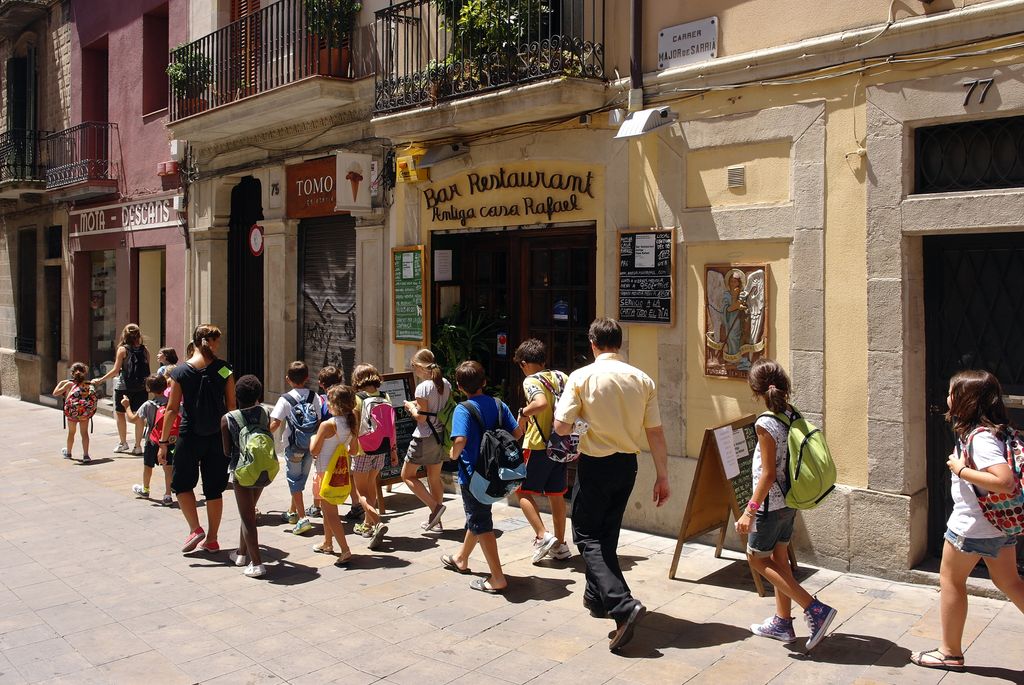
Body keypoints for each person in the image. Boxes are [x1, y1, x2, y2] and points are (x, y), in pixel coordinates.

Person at [552, 318, 670, 651]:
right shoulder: (641, 379)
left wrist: (580, 421)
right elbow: (656, 432)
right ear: (619, 343)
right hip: (626, 466)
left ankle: (622, 603)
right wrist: (663, 475)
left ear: (593, 344)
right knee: (608, 533)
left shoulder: (582, 377)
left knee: (587, 535)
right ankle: (597, 597)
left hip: (595, 463)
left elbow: (561, 427)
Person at [911, 370, 1024, 670]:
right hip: (997, 523)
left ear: (966, 401)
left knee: (951, 580)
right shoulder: (995, 431)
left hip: (972, 526)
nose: (947, 398)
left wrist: (960, 469)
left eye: (952, 393)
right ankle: (950, 651)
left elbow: (1004, 481)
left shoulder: (980, 438)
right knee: (1010, 582)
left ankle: (949, 652)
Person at [737, 358, 837, 652]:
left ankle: (814, 609)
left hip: (769, 507)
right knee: (780, 561)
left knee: (757, 559)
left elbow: (767, 474)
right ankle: (782, 622)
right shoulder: (792, 414)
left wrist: (748, 511)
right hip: (789, 503)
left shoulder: (765, 423)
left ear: (755, 389)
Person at [441, 360, 523, 593]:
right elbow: (517, 433)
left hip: (474, 475)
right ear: (485, 382)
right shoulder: (498, 405)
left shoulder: (462, 409)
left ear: (459, 386)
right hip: (496, 473)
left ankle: (497, 577)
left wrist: (452, 454)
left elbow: (459, 440)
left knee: (481, 523)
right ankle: (461, 558)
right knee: (476, 516)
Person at [160, 324, 235, 554]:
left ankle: (195, 528)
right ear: (211, 342)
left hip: (188, 435)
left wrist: (163, 442)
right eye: (217, 341)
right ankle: (212, 538)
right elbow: (231, 407)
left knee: (181, 485)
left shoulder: (179, 372)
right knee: (214, 489)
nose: (219, 345)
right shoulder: (225, 370)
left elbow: (172, 409)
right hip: (217, 437)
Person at [513, 339, 572, 563]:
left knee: (522, 491)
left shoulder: (531, 381)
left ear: (525, 363)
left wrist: (523, 412)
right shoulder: (561, 377)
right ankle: (561, 544)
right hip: (561, 444)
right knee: (556, 494)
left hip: (538, 444)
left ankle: (542, 536)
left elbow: (540, 404)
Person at [222, 374, 271, 578]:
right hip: (262, 469)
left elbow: (226, 451)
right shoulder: (264, 412)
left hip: (241, 472)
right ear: (258, 394)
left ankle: (257, 563)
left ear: (236, 395)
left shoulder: (228, 419)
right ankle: (241, 554)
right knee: (248, 511)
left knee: (248, 517)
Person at [269, 361, 322, 536]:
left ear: (287, 379)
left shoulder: (285, 399)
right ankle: (292, 512)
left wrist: (264, 434)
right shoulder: (314, 396)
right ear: (307, 378)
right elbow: (319, 419)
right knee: (300, 480)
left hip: (293, 447)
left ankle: (301, 518)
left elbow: (276, 422)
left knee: (294, 480)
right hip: (310, 446)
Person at [401, 349, 451, 533]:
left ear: (421, 367)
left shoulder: (423, 387)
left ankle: (435, 507)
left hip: (424, 436)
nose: (413, 369)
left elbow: (421, 417)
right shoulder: (446, 383)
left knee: (407, 475)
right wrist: (417, 406)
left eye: (414, 366)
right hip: (440, 435)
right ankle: (436, 522)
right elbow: (434, 408)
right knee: (434, 477)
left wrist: (409, 407)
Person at [309, 383, 358, 566]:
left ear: (335, 404)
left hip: (325, 472)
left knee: (331, 513)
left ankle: (344, 549)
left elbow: (314, 450)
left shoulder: (327, 425)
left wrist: (313, 439)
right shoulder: (351, 422)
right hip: (340, 472)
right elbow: (353, 450)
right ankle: (327, 543)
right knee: (327, 510)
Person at [351, 363, 397, 550]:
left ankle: (377, 521)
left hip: (363, 448)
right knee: (371, 487)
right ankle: (367, 525)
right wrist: (393, 450)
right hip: (382, 448)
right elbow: (392, 426)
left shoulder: (358, 398)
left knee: (360, 491)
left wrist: (352, 446)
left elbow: (354, 426)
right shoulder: (385, 396)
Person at [92, 323, 150, 455]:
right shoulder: (145, 350)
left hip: (124, 387)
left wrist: (100, 380)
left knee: (120, 414)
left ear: (124, 335)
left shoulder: (123, 350)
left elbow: (115, 370)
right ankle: (138, 446)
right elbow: (147, 370)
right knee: (139, 415)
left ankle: (123, 443)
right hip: (141, 388)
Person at [125, 374, 174, 505]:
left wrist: (126, 406)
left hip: (152, 440)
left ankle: (145, 489)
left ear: (148, 389)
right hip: (169, 440)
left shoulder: (148, 405)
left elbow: (133, 419)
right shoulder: (172, 403)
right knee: (168, 467)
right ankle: (168, 495)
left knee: (148, 466)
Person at [53, 362, 96, 462]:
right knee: (84, 433)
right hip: (84, 413)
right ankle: (86, 455)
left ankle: (68, 453)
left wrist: (61, 382)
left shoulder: (69, 384)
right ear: (85, 373)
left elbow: (55, 393)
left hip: (72, 412)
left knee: (71, 433)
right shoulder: (88, 385)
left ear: (72, 373)